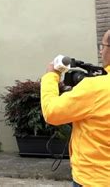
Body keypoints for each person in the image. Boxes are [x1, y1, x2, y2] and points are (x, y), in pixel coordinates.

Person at [41, 30, 110, 186]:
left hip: (95, 178)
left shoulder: (95, 88)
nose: (101, 50)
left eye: (103, 46)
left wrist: (51, 76)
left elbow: (52, 113)